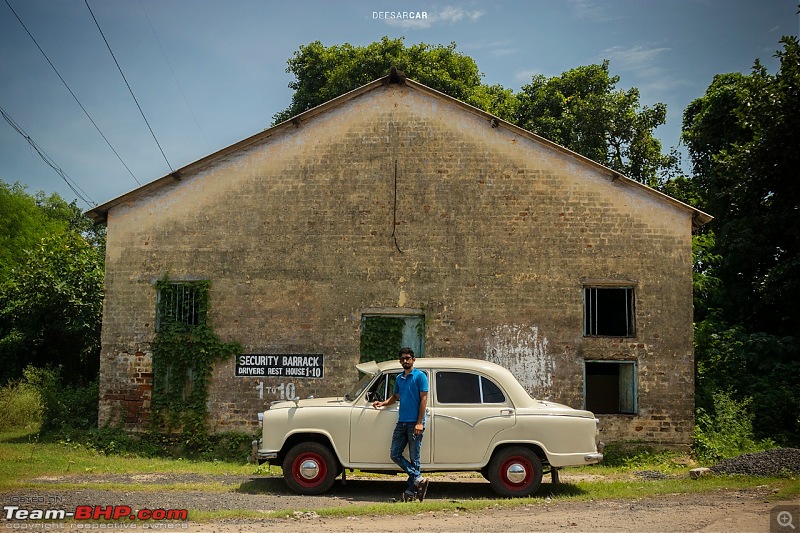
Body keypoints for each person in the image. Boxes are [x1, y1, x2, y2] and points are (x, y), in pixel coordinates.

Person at [372, 347, 430, 501]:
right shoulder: (399, 378)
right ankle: (418, 480)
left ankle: (411, 492)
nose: (405, 361)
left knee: (414, 457)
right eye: (403, 358)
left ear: (413, 360)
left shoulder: (420, 376)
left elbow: (424, 399)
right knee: (395, 453)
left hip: (414, 423)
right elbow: (396, 396)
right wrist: (382, 403)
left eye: (408, 358)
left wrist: (419, 422)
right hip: (402, 421)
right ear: (400, 361)